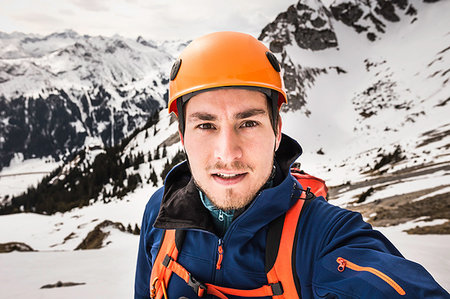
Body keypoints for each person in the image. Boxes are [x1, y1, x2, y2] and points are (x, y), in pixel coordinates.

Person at [134, 31, 448, 299]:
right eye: (206, 126)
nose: (228, 154)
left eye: (249, 124)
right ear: (182, 137)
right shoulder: (160, 213)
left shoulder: (324, 238)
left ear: (277, 130)